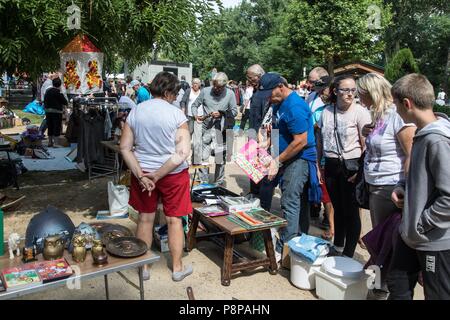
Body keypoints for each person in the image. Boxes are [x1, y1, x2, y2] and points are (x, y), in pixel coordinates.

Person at [120, 71, 193, 282]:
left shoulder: (136, 111)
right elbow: (182, 152)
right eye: (176, 92)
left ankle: (144, 268)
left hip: (143, 172)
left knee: (145, 218)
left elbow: (125, 148)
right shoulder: (177, 115)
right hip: (172, 175)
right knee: (174, 220)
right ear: (169, 92)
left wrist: (143, 176)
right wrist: (158, 175)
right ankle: (177, 267)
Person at [387, 74, 450, 300]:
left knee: (437, 294)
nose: (395, 111)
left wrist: (422, 224)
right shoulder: (421, 134)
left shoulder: (438, 140)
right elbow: (419, 177)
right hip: (412, 235)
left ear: (407, 104)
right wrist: (402, 186)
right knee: (397, 283)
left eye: (395, 105)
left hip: (434, 240)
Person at [357, 73, 416, 298]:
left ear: (373, 92)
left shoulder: (397, 116)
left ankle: (387, 288)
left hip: (391, 187)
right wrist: (367, 133)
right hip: (376, 186)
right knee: (381, 240)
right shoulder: (379, 115)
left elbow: (411, 153)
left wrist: (406, 189)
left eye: (362, 94)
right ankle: (380, 285)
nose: (359, 99)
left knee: (389, 243)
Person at [259, 72, 320, 259]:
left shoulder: (295, 106)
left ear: (281, 86)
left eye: (271, 93)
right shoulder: (279, 104)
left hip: (299, 158)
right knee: (296, 200)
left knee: (290, 199)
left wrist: (277, 161)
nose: (268, 97)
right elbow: (277, 130)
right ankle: (298, 238)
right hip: (286, 157)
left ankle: (287, 246)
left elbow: (300, 141)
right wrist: (267, 147)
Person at [317, 75, 372, 258]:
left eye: (353, 90)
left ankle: (348, 253)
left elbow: (367, 144)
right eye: (345, 90)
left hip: (352, 165)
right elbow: (320, 140)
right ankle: (338, 246)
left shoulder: (360, 112)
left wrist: (361, 171)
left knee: (351, 211)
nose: (350, 94)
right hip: (331, 164)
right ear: (335, 91)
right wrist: (318, 165)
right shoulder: (326, 111)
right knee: (337, 208)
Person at [191, 72, 237, 185]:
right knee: (203, 157)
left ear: (225, 86)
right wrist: (195, 115)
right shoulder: (205, 91)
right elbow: (194, 105)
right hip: (205, 128)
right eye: (214, 85)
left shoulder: (230, 94)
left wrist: (222, 113)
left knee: (220, 158)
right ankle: (203, 181)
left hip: (220, 131)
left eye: (219, 87)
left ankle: (218, 183)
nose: (216, 88)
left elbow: (235, 111)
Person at [311, 76, 335, 240]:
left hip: (342, 161)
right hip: (323, 157)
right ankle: (332, 227)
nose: (320, 92)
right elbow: (318, 133)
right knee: (325, 194)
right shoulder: (322, 108)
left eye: (322, 89)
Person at [180, 78, 203, 165]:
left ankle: (195, 159)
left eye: (197, 83)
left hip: (199, 117)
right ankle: (185, 158)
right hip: (189, 116)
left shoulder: (202, 92)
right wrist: (183, 110)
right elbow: (183, 101)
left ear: (200, 84)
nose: (195, 85)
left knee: (197, 139)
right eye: (194, 83)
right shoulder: (188, 91)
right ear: (192, 84)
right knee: (188, 138)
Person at [43, 77, 68, 147]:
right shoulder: (59, 92)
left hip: (48, 111)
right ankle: (56, 143)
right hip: (56, 111)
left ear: (52, 84)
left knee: (50, 126)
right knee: (56, 126)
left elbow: (44, 100)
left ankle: (50, 142)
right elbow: (65, 102)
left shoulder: (48, 91)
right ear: (60, 85)